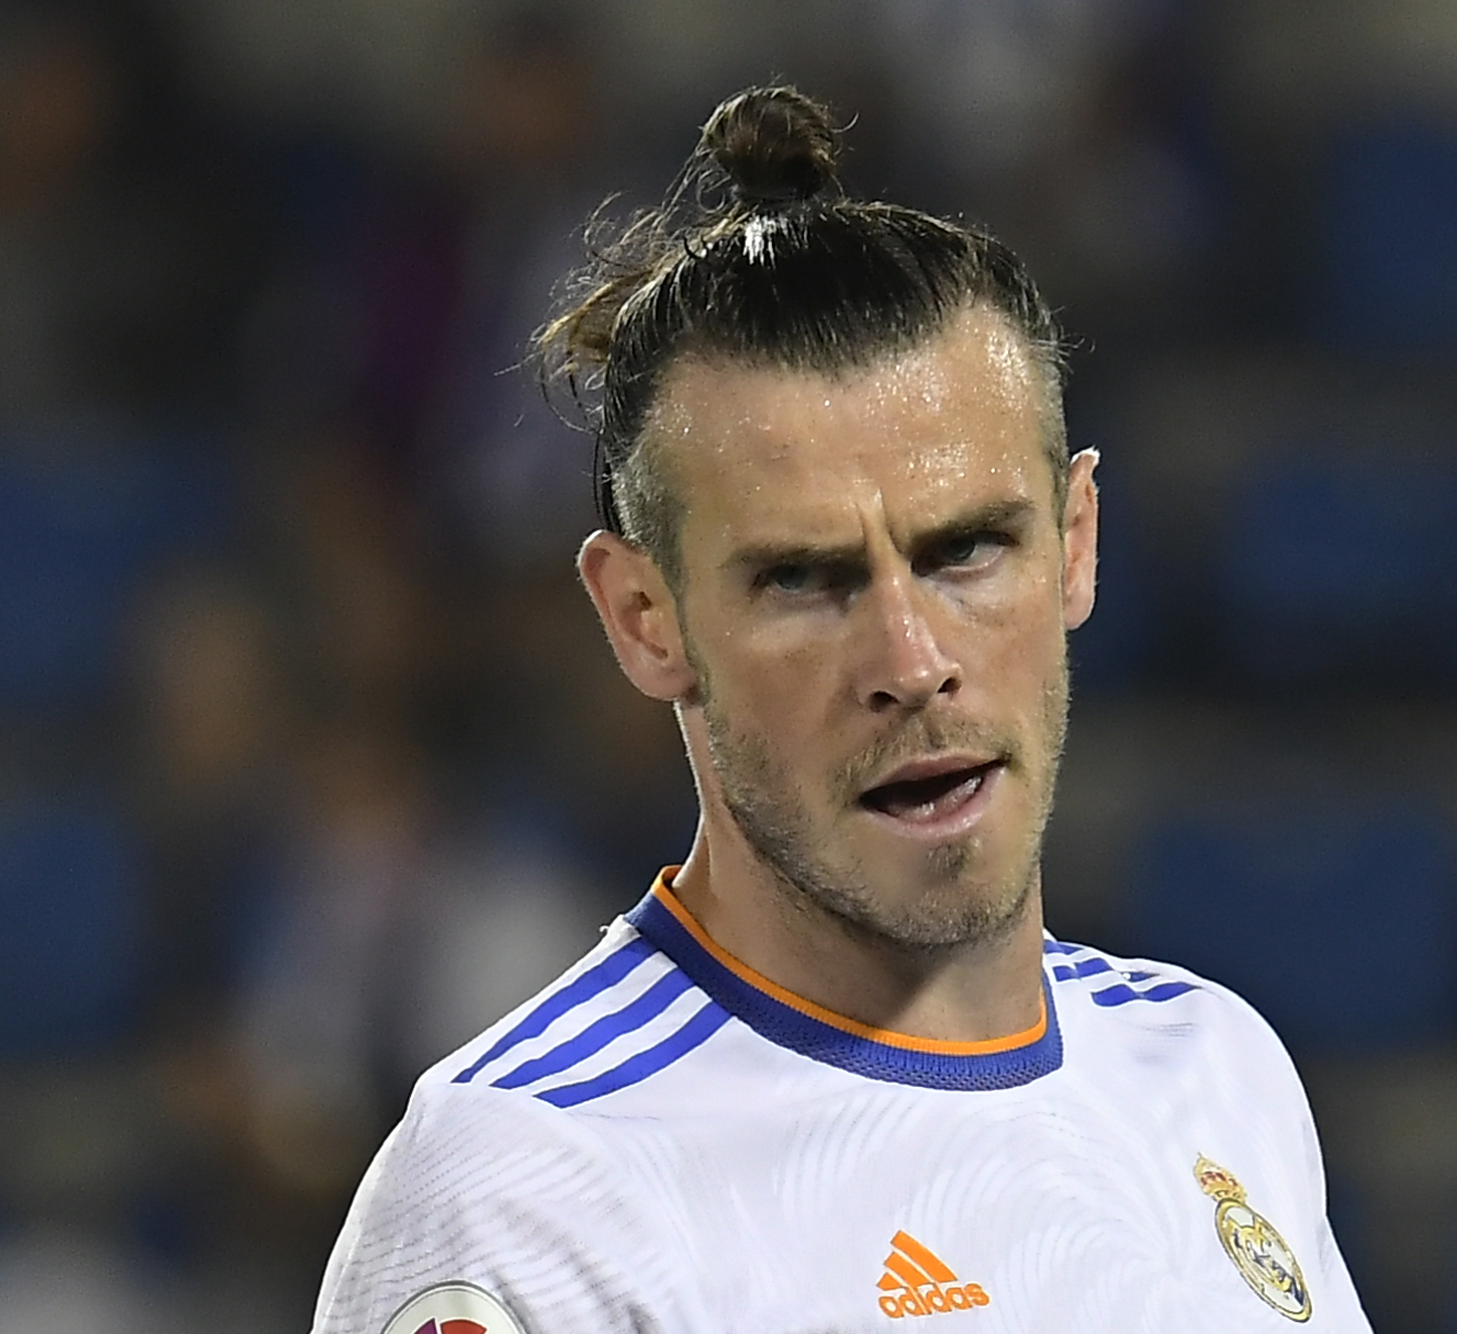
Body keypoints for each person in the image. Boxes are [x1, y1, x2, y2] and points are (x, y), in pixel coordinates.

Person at [310, 85, 1370, 1333]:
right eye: (803, 580)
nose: (910, 660)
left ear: (1076, 541)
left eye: (967, 549)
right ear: (644, 618)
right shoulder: (531, 1187)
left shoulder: (1214, 1071)